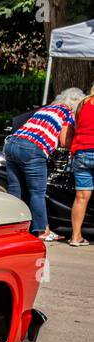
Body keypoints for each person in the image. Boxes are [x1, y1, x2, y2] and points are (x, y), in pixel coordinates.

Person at [4, 87, 83, 241]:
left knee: (15, 190)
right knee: (37, 192)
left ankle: (11, 228)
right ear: (76, 105)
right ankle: (42, 231)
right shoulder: (67, 113)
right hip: (32, 148)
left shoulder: (48, 108)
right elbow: (64, 140)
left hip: (11, 143)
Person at [68, 87, 94, 247]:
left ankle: (75, 237)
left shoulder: (83, 103)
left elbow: (77, 125)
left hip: (82, 152)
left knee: (81, 197)